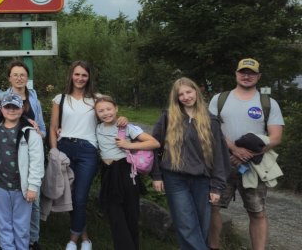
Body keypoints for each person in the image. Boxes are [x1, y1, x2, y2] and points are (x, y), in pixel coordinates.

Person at [49, 61, 126, 250]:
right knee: (70, 196)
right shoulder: (60, 98)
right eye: (77, 74)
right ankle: (85, 238)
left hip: (88, 151)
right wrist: (54, 150)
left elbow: (111, 116)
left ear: (89, 77)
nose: (80, 78)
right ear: (71, 75)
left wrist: (124, 119)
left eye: (84, 75)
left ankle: (72, 240)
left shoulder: (97, 99)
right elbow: (52, 127)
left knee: (80, 196)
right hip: (64, 148)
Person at [209, 59, 284, 250]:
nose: (246, 76)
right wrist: (233, 149)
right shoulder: (219, 99)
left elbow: (275, 137)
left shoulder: (268, 103)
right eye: (243, 72)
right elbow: (210, 130)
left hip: (253, 168)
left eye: (251, 73)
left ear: (258, 76)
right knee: (212, 207)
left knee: (257, 212)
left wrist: (247, 153)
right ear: (236, 74)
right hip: (222, 164)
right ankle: (213, 247)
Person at [151, 77, 229, 250]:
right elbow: (154, 145)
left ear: (196, 91)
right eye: (181, 94)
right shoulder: (168, 117)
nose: (186, 97)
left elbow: (219, 157)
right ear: (176, 98)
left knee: (202, 225)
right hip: (174, 177)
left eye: (189, 92)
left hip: (202, 179)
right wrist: (156, 175)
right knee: (186, 223)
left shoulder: (211, 121)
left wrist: (217, 186)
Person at [94, 94, 159, 250]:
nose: (106, 113)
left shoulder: (127, 127)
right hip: (108, 173)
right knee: (114, 214)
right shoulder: (97, 128)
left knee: (131, 214)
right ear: (96, 114)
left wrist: (128, 145)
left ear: (116, 109)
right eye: (101, 110)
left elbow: (154, 143)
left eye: (109, 109)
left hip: (126, 171)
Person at [0, 61, 47, 248]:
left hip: (31, 153)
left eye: (23, 75)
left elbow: (42, 129)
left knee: (33, 199)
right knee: (10, 201)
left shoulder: (34, 100)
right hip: (9, 155)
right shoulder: (1, 98)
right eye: (15, 74)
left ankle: (33, 239)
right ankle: (11, 239)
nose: (19, 78)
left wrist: (37, 133)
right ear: (9, 77)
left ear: (27, 78)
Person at [0, 93, 44, 250]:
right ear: (1, 109)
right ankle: (7, 247)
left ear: (22, 109)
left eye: (15, 107)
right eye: (8, 107)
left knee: (21, 225)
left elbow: (37, 162)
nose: (11, 110)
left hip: (22, 187)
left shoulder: (30, 132)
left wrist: (33, 187)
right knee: (3, 223)